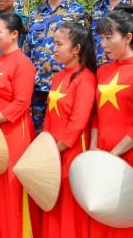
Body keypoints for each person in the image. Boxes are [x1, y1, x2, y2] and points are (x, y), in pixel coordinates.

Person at [89, 5, 133, 237]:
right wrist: (95, 149)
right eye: (101, 38)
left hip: (130, 154)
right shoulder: (102, 71)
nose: (103, 44)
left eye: (109, 38)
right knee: (101, 210)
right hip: (102, 152)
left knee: (128, 214)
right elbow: (95, 114)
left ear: (128, 37)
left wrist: (114, 154)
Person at [0, 13, 39, 238]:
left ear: (14, 35)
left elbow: (21, 104)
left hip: (13, 133)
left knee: (11, 188)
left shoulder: (23, 64)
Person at [42, 22, 96, 237]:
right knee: (52, 202)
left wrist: (57, 149)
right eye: (53, 43)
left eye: (58, 44)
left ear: (76, 49)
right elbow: (48, 117)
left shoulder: (85, 79)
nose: (53, 48)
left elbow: (77, 123)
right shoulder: (58, 76)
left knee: (69, 206)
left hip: (71, 152)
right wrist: (45, 148)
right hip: (52, 151)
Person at [24, 0, 89, 134]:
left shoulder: (78, 12)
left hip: (66, 89)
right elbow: (27, 52)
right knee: (38, 139)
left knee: (63, 136)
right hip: (37, 89)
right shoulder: (34, 14)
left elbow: (85, 50)